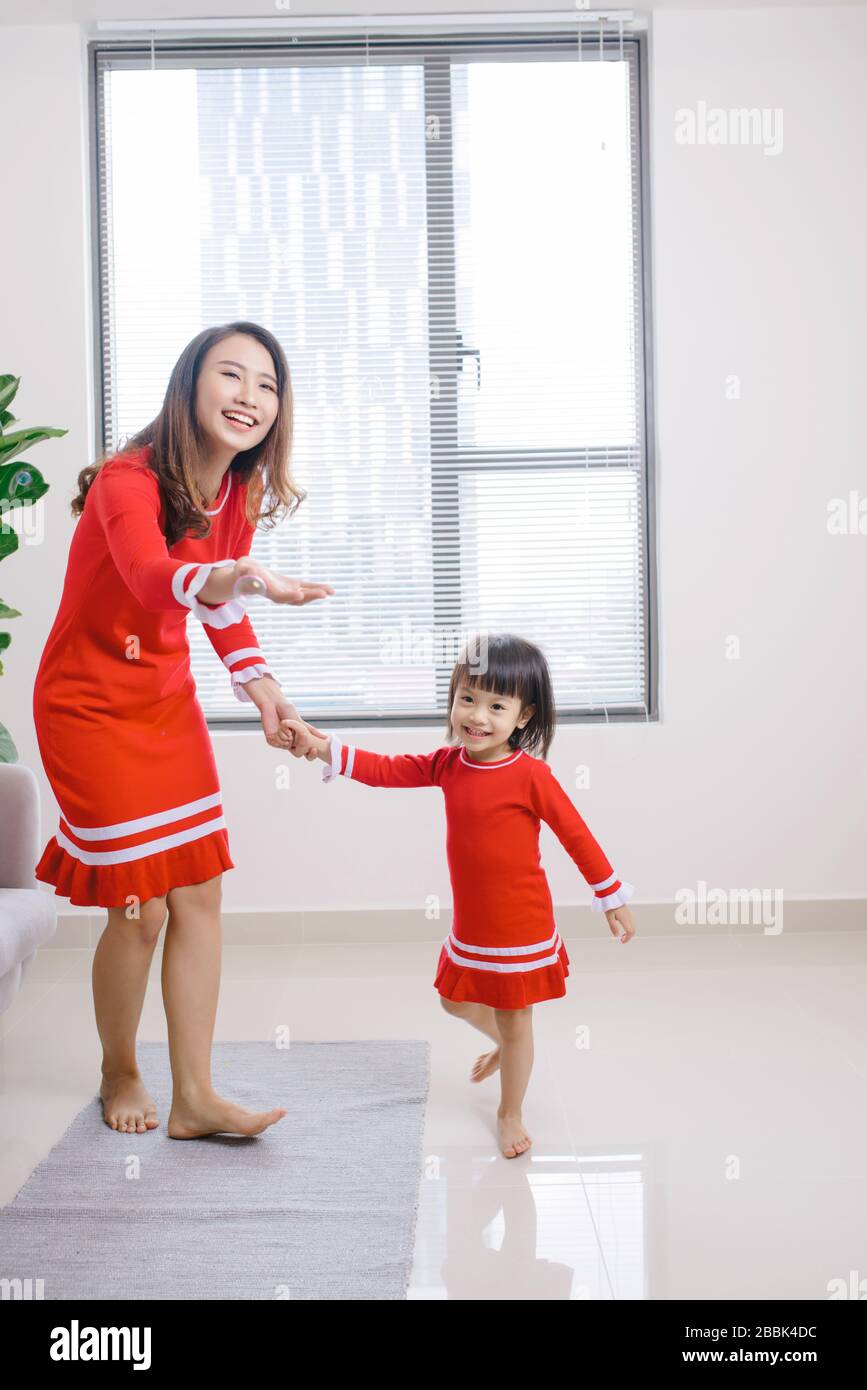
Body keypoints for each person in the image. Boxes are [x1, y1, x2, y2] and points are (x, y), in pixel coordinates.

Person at [32, 321, 333, 1139]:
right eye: (230, 375)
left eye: (266, 385)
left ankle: (195, 1098)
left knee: (199, 893)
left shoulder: (236, 491)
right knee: (141, 910)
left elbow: (217, 605)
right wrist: (236, 574)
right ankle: (119, 1069)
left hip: (163, 702)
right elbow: (151, 577)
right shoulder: (126, 481)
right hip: (87, 708)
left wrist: (265, 691)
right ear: (189, 385)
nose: (249, 396)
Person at [282, 633, 636, 1159]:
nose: (477, 716)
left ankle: (509, 1111)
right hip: (473, 923)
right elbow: (386, 770)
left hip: (520, 922)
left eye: (496, 706)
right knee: (452, 1000)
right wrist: (322, 746)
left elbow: (576, 835)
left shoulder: (532, 777)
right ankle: (504, 1045)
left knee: (516, 1018)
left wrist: (611, 896)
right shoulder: (448, 765)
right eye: (468, 698)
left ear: (523, 716)